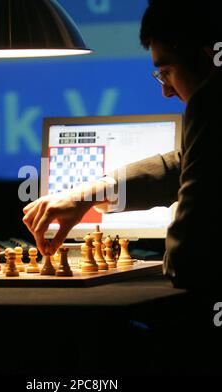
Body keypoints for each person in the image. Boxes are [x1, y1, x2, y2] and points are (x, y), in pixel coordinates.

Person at [23, 0, 222, 290]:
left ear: (208, 58)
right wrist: (88, 194)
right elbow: (184, 164)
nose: (166, 91)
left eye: (166, 71)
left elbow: (188, 260)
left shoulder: (211, 102)